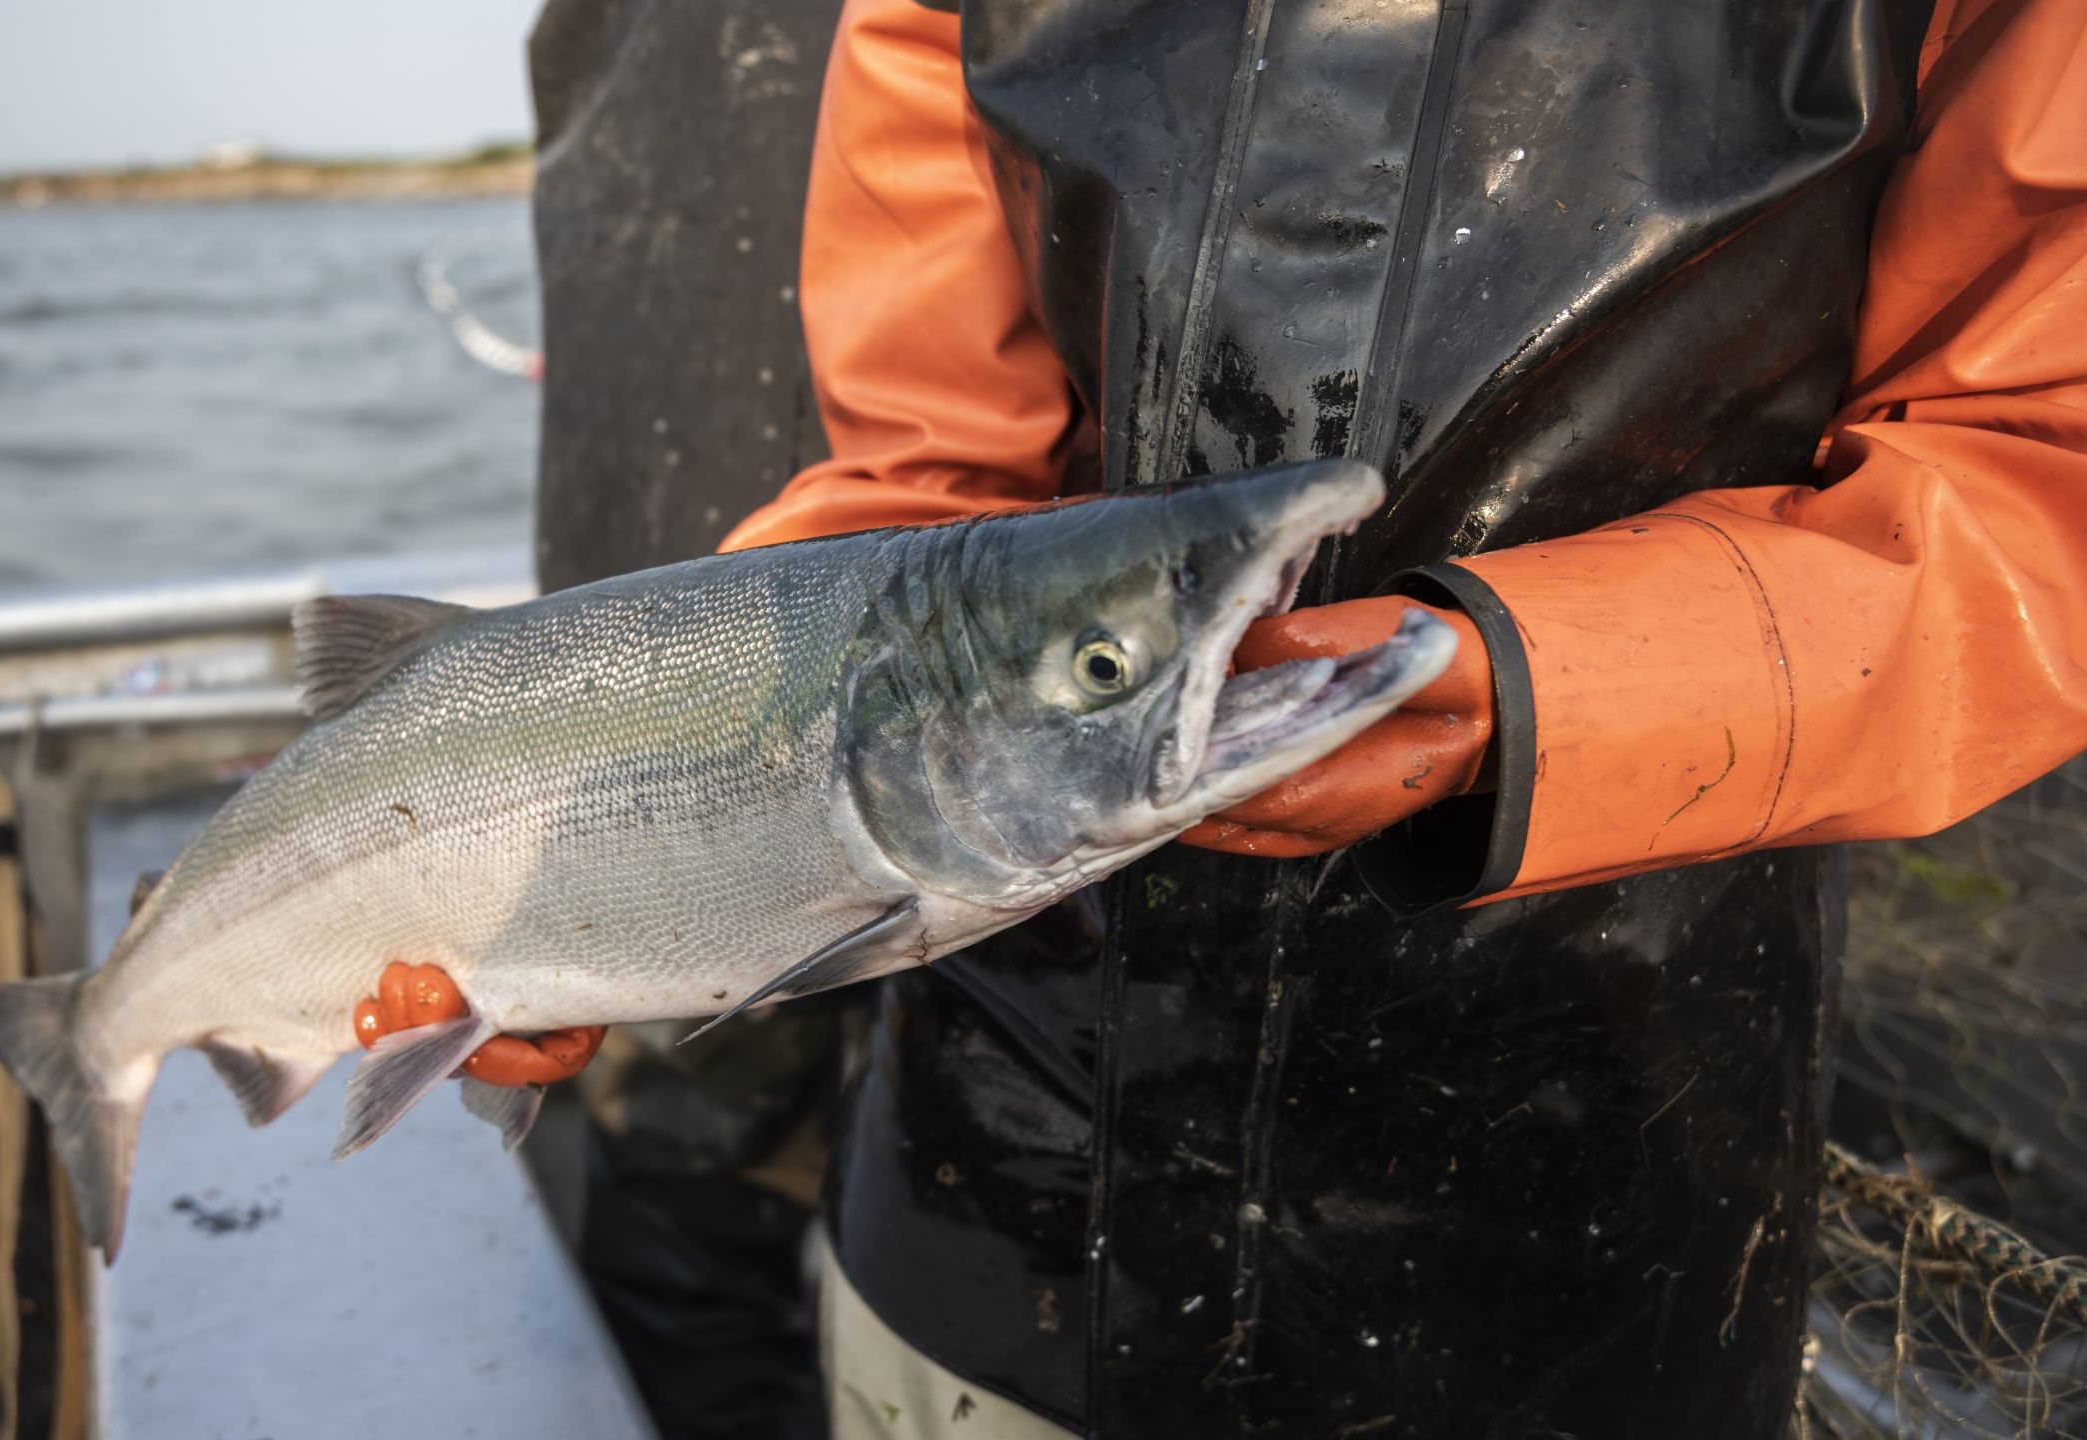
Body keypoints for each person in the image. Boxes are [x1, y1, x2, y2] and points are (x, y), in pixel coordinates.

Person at [381, 0, 2087, 1432]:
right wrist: (595, 855)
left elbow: (2038, 473)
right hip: (986, 1218)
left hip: (1599, 1235)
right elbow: (919, 482)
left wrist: (1524, 691)